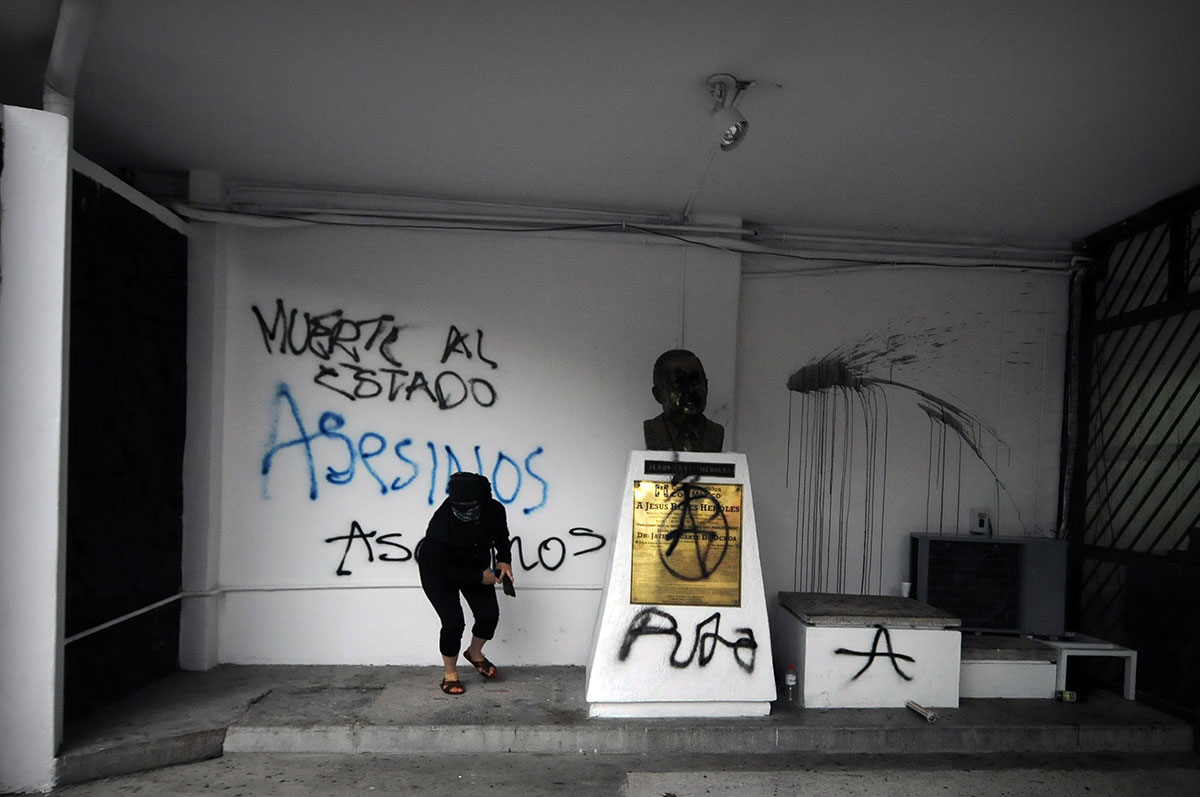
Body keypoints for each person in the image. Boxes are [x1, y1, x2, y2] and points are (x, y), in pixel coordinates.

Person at [416, 471, 515, 695]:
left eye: (469, 504)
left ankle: (474, 653)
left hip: (474, 565)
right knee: (453, 623)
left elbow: (502, 536)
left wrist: (504, 560)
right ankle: (450, 673)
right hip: (438, 573)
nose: (463, 508)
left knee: (488, 615)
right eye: (458, 504)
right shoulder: (440, 524)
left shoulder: (494, 510)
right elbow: (441, 570)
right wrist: (480, 577)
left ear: (482, 499)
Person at [643, 348, 725, 453]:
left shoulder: (715, 433)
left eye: (695, 381)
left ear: (706, 386)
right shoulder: (653, 431)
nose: (690, 390)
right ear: (658, 394)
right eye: (678, 383)